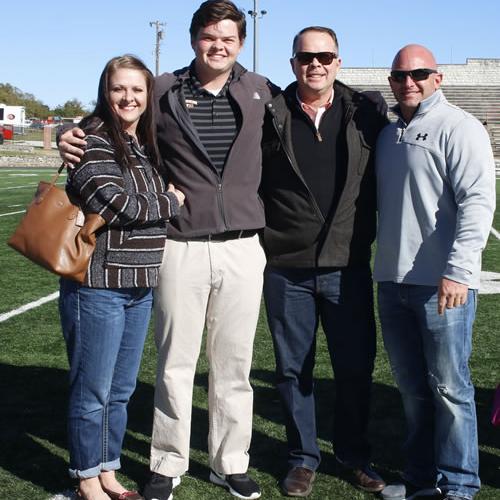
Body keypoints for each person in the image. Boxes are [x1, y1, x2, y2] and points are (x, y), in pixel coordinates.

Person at [58, 2, 277, 499]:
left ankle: (230, 461)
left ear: (240, 43)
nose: (217, 45)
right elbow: (107, 116)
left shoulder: (260, 88)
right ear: (194, 38)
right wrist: (62, 133)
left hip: (243, 246)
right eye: (208, 35)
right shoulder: (161, 88)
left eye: (228, 37)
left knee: (234, 364)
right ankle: (167, 460)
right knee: (175, 362)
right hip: (178, 243)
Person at [260, 26, 388, 497]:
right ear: (293, 63)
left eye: (325, 56)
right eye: (305, 57)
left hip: (347, 264)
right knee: (294, 369)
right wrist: (83, 128)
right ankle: (302, 457)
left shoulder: (365, 112)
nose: (315, 64)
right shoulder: (268, 113)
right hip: (285, 265)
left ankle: (354, 454)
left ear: (338, 61)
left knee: (354, 366)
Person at [59, 55, 184, 500]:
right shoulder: (92, 138)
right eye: (119, 89)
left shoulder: (143, 143)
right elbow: (116, 204)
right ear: (105, 91)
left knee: (120, 390)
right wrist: (170, 203)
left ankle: (108, 471)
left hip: (139, 285)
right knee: (92, 389)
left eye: (137, 90)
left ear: (148, 97)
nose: (128, 98)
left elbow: (133, 203)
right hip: (98, 285)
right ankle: (86, 479)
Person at [374, 44, 496, 500]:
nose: (410, 82)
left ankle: (460, 485)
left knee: (450, 389)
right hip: (393, 281)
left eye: (419, 73)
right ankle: (422, 478)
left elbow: (478, 204)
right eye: (400, 75)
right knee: (411, 389)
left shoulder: (459, 127)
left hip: (441, 285)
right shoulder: (390, 134)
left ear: (437, 77)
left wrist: (458, 271)